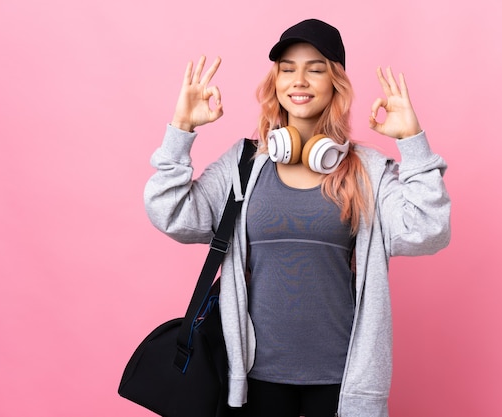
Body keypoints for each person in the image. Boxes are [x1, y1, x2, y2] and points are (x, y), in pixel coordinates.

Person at [144, 18, 451, 417]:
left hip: (342, 381)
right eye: (287, 69)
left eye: (315, 68)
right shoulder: (244, 164)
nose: (299, 80)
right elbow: (171, 213)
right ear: (276, 82)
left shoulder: (367, 169)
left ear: (335, 81)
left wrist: (413, 143)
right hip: (253, 380)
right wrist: (181, 130)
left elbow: (429, 230)